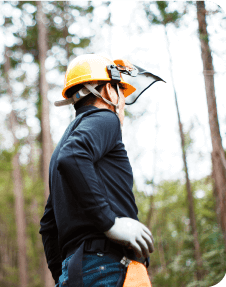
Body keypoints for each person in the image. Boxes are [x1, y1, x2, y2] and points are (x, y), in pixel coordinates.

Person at [39, 54, 165, 286]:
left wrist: (64, 275)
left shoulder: (61, 147)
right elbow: (74, 156)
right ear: (108, 90)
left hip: (77, 271)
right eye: (121, 92)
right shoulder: (106, 119)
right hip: (106, 266)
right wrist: (110, 223)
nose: (123, 103)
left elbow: (48, 224)